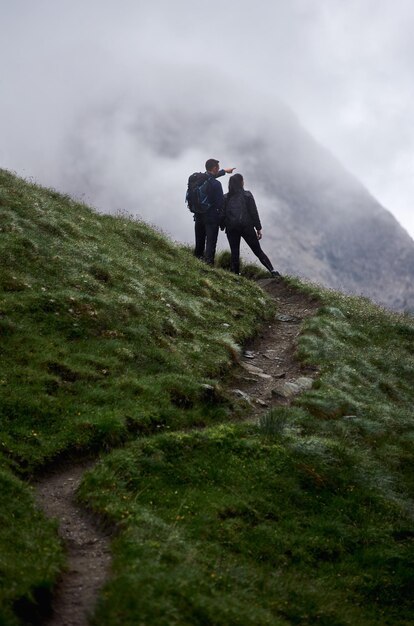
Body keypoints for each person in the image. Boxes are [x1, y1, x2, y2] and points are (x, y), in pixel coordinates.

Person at [222, 173, 280, 277]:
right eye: (242, 180)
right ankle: (272, 271)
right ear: (241, 182)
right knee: (257, 251)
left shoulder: (225, 197)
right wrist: (258, 228)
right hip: (246, 227)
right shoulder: (247, 195)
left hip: (231, 229)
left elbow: (222, 213)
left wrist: (223, 226)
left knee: (235, 253)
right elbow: (254, 212)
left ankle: (235, 276)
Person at [193, 159, 235, 265]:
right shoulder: (216, 184)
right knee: (210, 243)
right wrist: (222, 221)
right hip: (211, 218)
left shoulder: (197, 178)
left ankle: (196, 262)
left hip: (198, 215)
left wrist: (224, 171)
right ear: (215, 168)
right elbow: (220, 204)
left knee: (199, 241)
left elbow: (209, 178)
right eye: (218, 167)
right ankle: (208, 265)